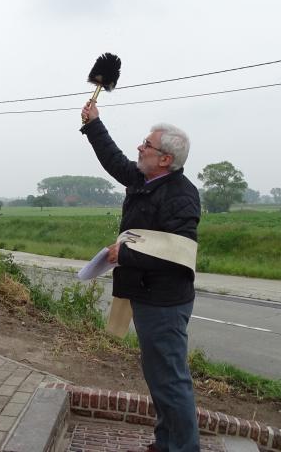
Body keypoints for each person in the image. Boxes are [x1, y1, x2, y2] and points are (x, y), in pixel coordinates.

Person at [81, 100, 201, 452]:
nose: (139, 147)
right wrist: (93, 125)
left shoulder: (182, 196)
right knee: (160, 378)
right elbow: (115, 160)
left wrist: (125, 254)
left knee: (170, 381)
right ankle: (167, 443)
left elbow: (179, 257)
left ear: (165, 158)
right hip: (147, 295)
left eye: (146, 145)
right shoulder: (145, 180)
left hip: (165, 301)